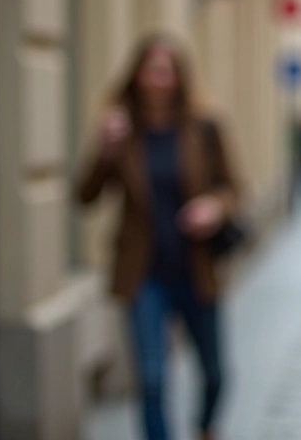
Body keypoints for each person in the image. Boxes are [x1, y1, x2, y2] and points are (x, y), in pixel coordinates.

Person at [76, 33, 240, 440]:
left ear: (179, 77)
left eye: (166, 70)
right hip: (144, 273)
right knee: (151, 379)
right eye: (151, 69)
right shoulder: (122, 133)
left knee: (216, 373)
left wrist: (214, 208)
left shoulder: (204, 128)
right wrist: (105, 151)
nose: (159, 79)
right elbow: (85, 196)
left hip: (196, 267)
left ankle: (205, 428)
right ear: (137, 76)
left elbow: (234, 187)